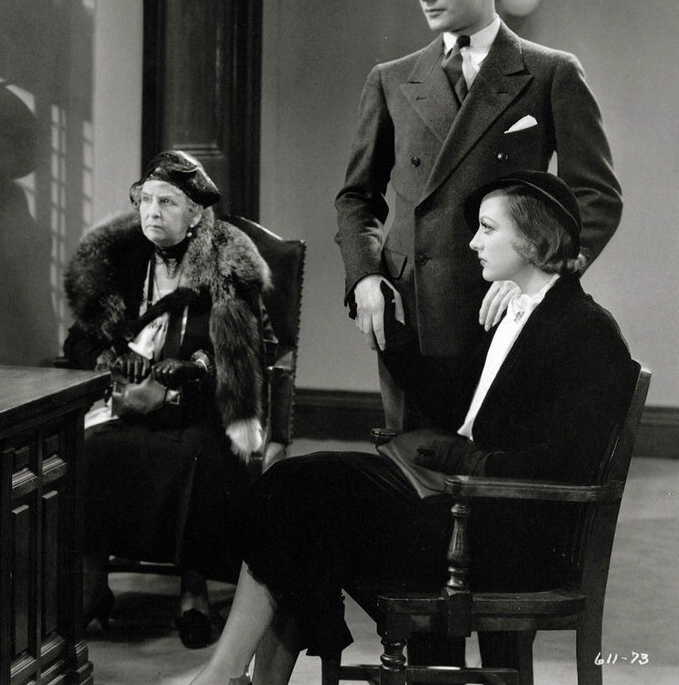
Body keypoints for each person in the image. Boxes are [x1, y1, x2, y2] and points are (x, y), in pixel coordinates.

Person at [190, 171, 633, 684]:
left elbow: (568, 466)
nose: (473, 242)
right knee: (288, 485)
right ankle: (234, 676)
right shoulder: (518, 310)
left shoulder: (587, 333)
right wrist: (387, 330)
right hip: (465, 507)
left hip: (498, 533)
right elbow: (459, 403)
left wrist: (464, 461)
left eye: (488, 228)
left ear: (535, 241)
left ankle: (227, 676)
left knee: (300, 503)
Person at [335, 0, 622, 433]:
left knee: (489, 469)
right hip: (410, 313)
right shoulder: (392, 80)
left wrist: (543, 279)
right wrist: (365, 276)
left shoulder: (551, 71)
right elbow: (357, 197)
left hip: (503, 306)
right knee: (413, 470)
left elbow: (597, 196)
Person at [63, 150, 276, 649]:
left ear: (197, 213)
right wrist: (116, 363)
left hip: (201, 410)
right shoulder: (121, 262)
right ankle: (94, 586)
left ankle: (193, 590)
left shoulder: (226, 268)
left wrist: (182, 379)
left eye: (168, 202)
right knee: (92, 451)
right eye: (146, 201)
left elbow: (242, 361)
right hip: (124, 406)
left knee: (198, 457)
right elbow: (79, 343)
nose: (152, 213)